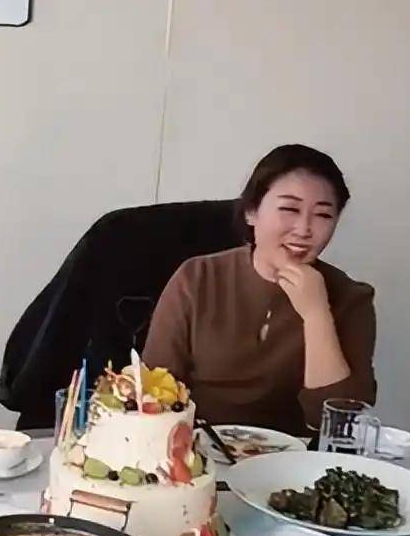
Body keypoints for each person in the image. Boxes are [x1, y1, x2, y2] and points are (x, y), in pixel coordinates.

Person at [142, 144, 375, 435]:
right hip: (197, 449)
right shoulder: (197, 278)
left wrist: (317, 315)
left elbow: (338, 423)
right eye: (290, 209)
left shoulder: (352, 298)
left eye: (323, 215)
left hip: (298, 457)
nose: (304, 229)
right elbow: (154, 392)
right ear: (251, 212)